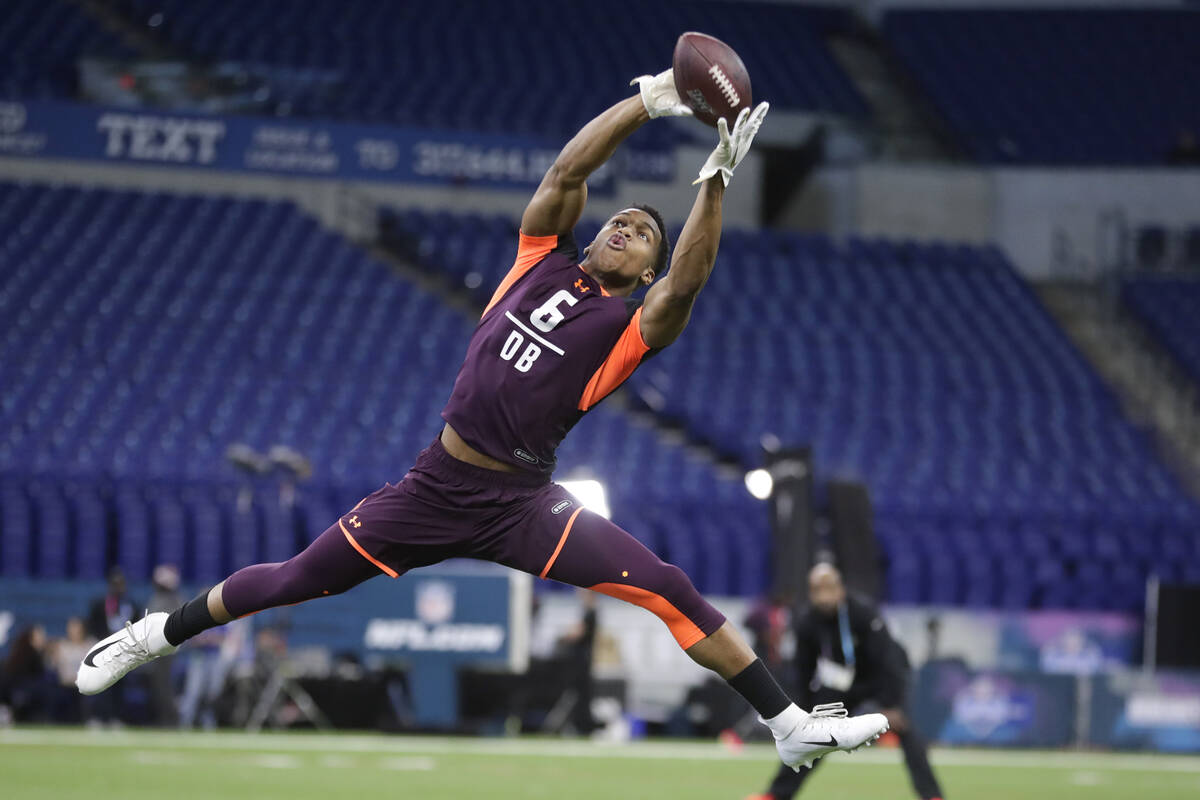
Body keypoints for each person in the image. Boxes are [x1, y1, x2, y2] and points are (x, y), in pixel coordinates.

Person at [75, 68, 887, 768]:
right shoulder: (537, 263)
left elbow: (687, 286)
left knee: (669, 589)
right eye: (621, 219)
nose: (625, 227)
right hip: (434, 486)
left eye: (645, 232)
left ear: (646, 269)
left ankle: (786, 727)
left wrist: (712, 179)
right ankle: (153, 635)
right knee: (294, 580)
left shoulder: (631, 328)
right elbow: (569, 173)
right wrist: (649, 100)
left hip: (522, 506)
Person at [746, 564, 945, 800]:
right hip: (842, 684)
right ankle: (777, 795)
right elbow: (803, 671)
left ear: (840, 589)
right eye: (818, 589)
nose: (825, 596)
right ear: (811, 592)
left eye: (830, 588)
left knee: (908, 734)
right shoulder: (807, 621)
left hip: (881, 678)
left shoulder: (863, 612)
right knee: (812, 737)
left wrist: (892, 704)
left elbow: (889, 659)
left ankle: (932, 795)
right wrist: (802, 713)